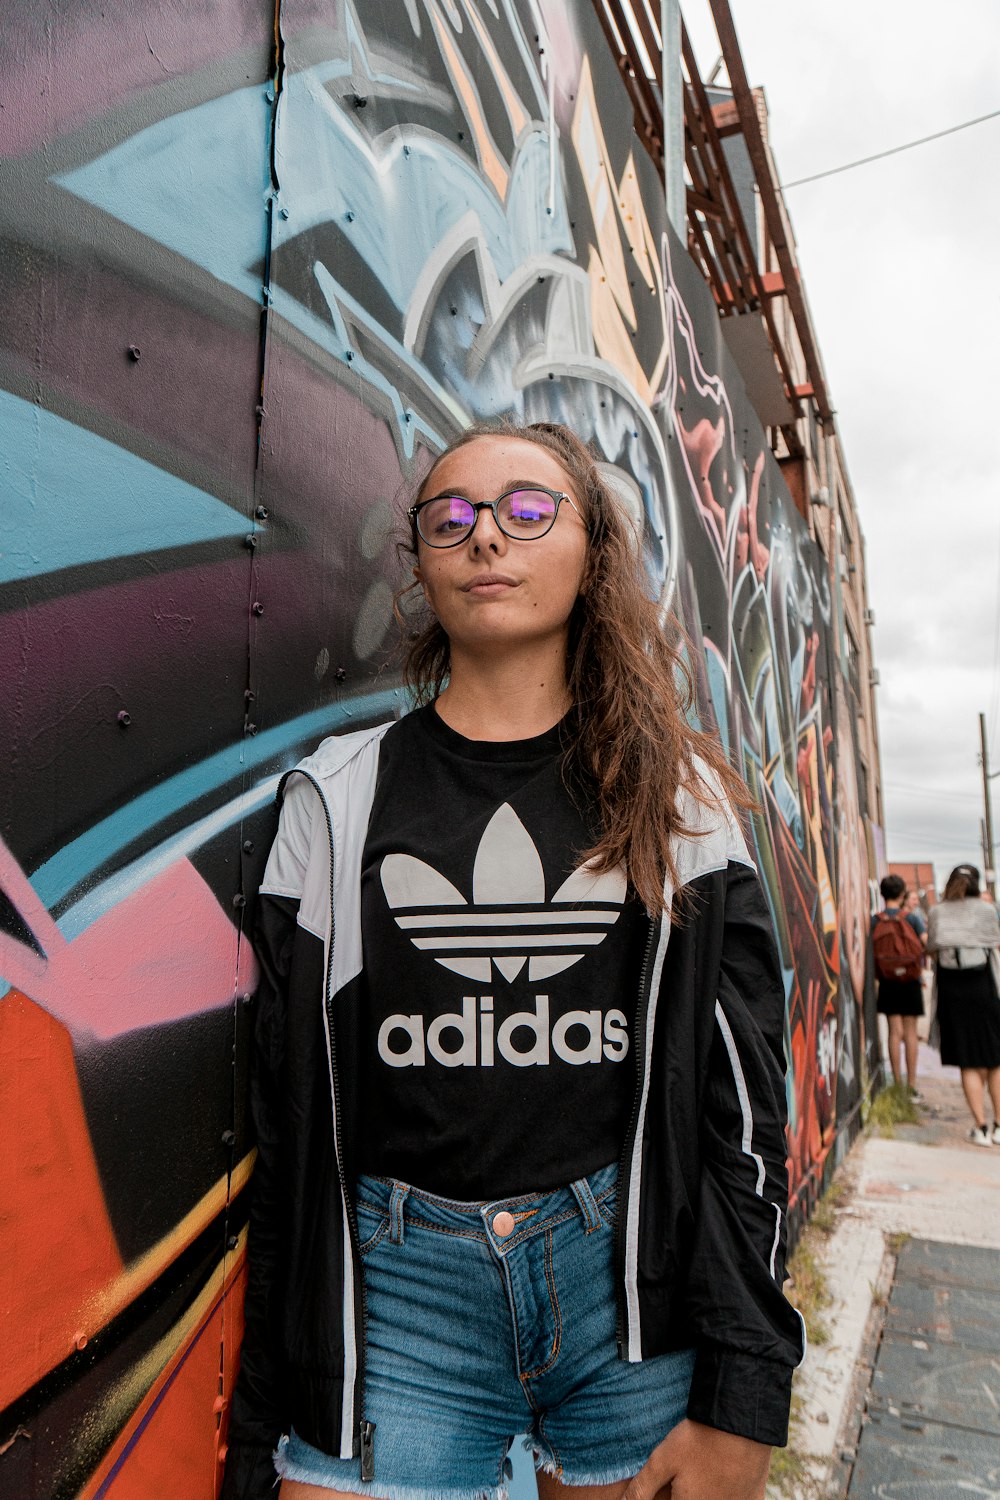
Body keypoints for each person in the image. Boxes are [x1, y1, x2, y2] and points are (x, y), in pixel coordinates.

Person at [221, 422, 804, 1500]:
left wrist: (742, 1391)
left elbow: (743, 1122)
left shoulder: (679, 803)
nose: (486, 534)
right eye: (452, 516)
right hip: (398, 1306)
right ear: (424, 564)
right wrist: (266, 1422)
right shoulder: (335, 803)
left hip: (627, 1303)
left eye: (527, 510)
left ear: (591, 553)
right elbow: (289, 1128)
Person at [926, 864, 1000, 1147]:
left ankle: (980, 1127)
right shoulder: (986, 910)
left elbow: (932, 947)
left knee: (968, 1059)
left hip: (952, 991)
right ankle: (999, 1126)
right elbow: (994, 941)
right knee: (995, 1059)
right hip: (985, 987)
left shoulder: (937, 911)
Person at [872, 874, 926, 1096]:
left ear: (882, 894)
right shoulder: (911, 919)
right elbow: (924, 943)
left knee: (894, 1031)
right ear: (902, 894)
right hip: (910, 980)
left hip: (887, 981)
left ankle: (896, 1083)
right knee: (910, 1033)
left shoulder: (875, 920)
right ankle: (912, 1085)